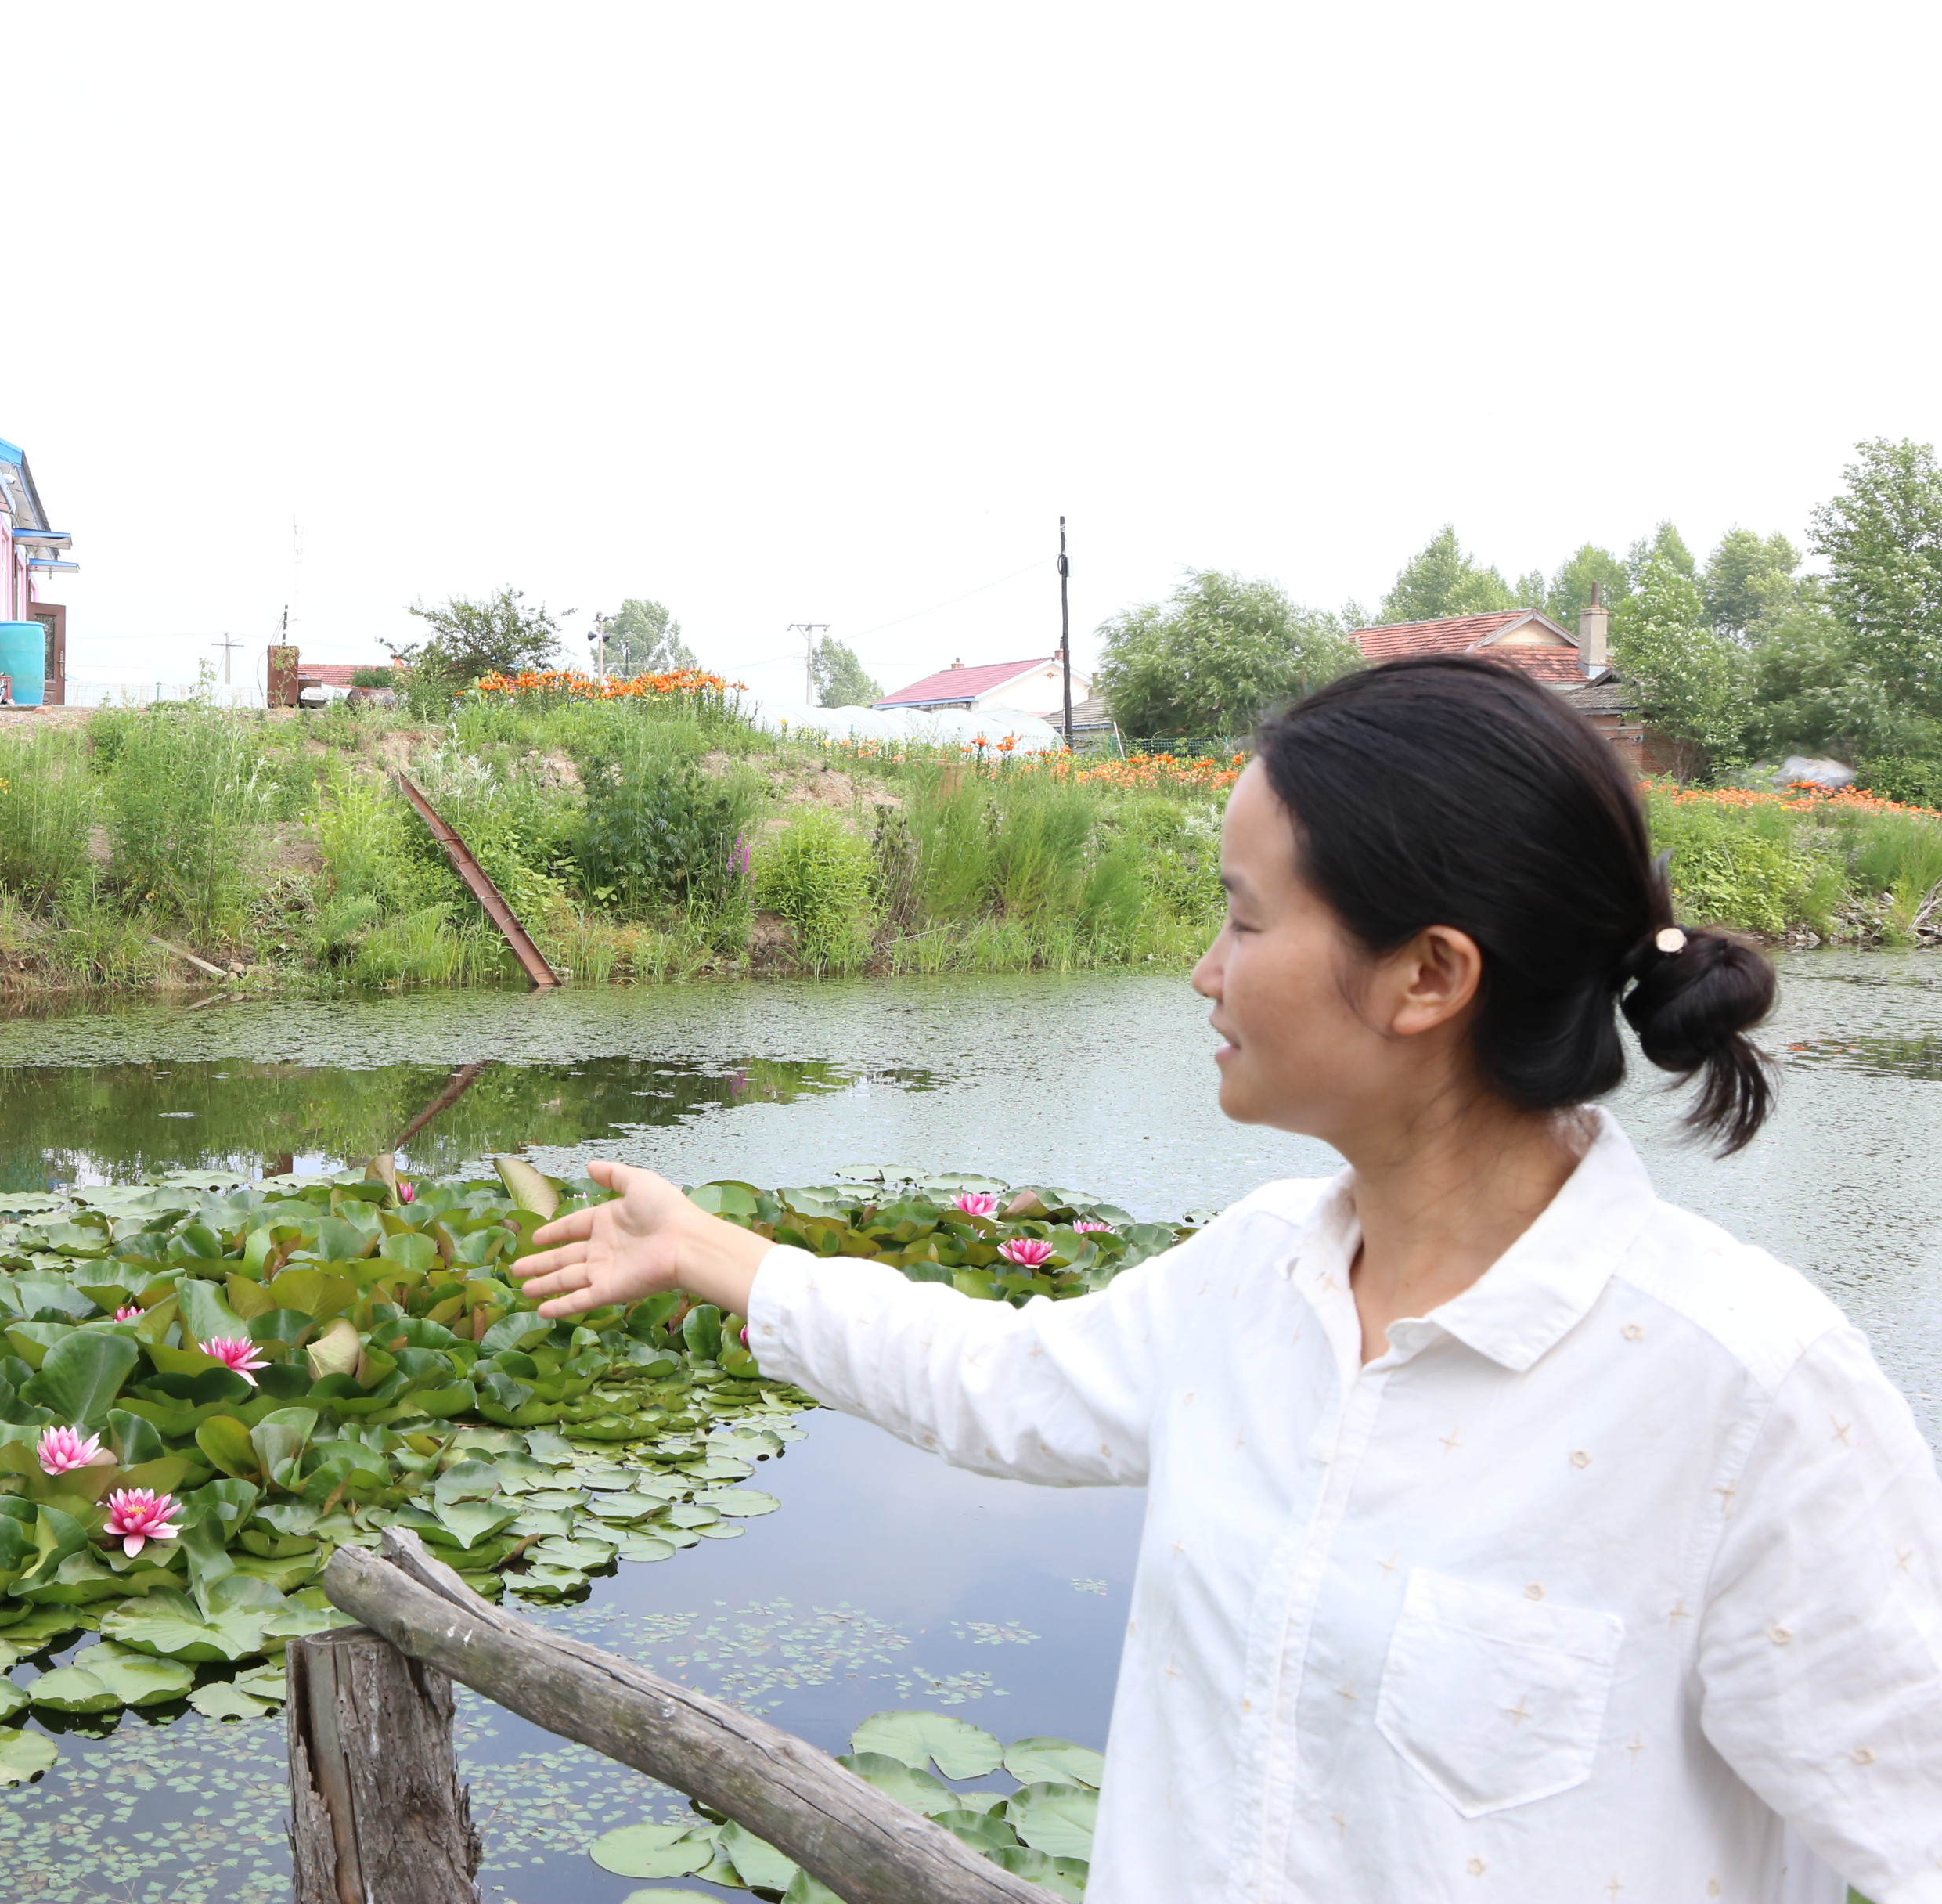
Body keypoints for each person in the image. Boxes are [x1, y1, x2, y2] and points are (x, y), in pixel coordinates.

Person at [513, 657, 1942, 1902]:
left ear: (1428, 977)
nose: (1204, 972)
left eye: (1247, 922)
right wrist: (709, 1252)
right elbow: (1000, 1382)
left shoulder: (1746, 1393)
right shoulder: (1261, 1275)